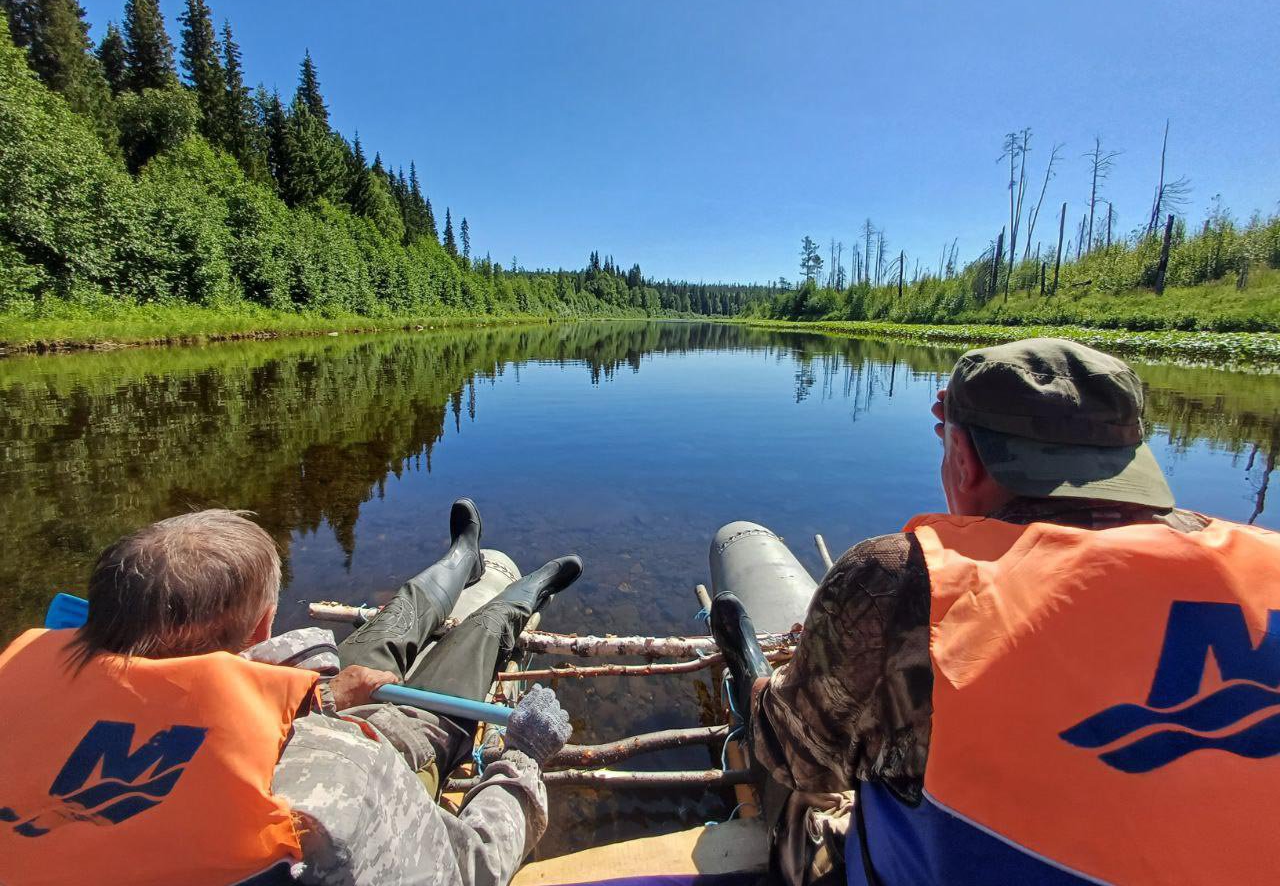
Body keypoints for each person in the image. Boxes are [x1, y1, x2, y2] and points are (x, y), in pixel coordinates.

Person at [710, 338, 1280, 886]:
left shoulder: (901, 580)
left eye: (950, 447)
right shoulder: (1267, 558)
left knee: (804, 789)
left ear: (964, 459)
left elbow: (793, 756)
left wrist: (763, 690)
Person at [0, 498, 582, 886]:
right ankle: (516, 601)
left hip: (321, 707)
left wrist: (324, 697)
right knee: (473, 646)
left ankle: (462, 556)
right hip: (378, 744)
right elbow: (467, 866)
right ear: (261, 631)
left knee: (390, 627)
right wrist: (523, 761)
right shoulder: (336, 794)